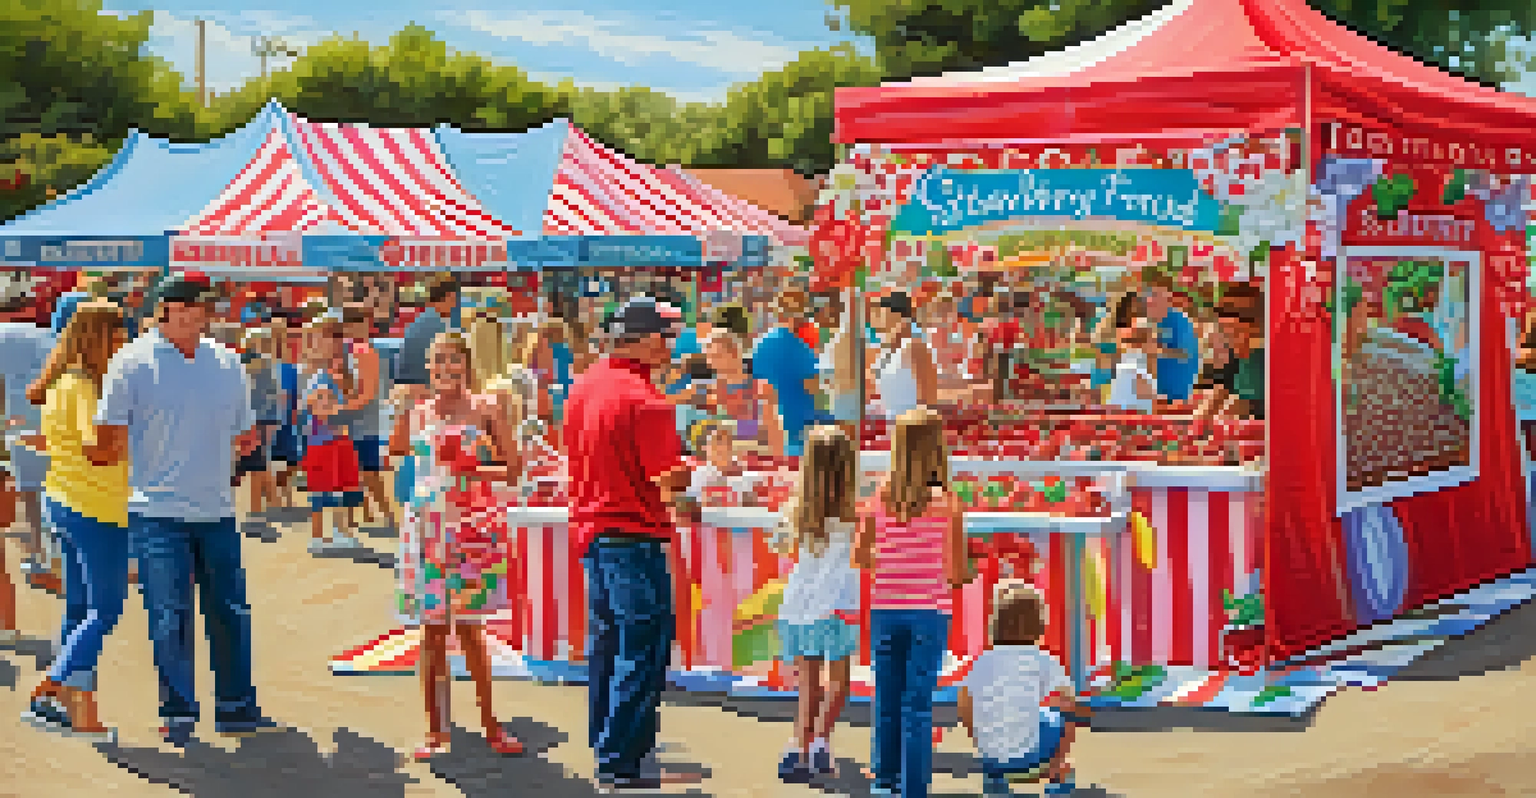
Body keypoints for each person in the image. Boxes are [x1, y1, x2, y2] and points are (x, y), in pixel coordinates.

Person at [92, 272, 278, 747]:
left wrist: (243, 448)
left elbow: (243, 433)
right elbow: (108, 435)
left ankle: (236, 708)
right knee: (169, 616)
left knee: (230, 612)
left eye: (206, 306)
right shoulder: (131, 362)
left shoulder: (227, 362)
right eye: (197, 305)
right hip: (156, 512)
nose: (205, 313)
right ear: (168, 310)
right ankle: (177, 712)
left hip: (216, 510)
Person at [564, 296, 701, 792]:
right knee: (641, 651)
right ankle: (619, 759)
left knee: (609, 646)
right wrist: (689, 473)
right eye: (665, 338)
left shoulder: (584, 386)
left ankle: (609, 745)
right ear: (646, 340)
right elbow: (667, 479)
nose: (670, 347)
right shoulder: (646, 401)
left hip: (595, 533)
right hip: (632, 536)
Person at [390, 332, 523, 761]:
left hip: (470, 529)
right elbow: (396, 453)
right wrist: (399, 412)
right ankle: (435, 730)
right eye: (438, 360)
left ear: (466, 364)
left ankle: (491, 725)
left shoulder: (487, 407)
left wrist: (474, 469)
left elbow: (513, 470)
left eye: (453, 359)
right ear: (428, 367)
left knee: (469, 630)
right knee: (431, 633)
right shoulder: (419, 410)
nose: (446, 367)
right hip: (426, 529)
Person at [20, 301, 131, 741]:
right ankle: (51, 686)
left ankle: (74, 710)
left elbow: (58, 442)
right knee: (106, 610)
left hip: (66, 501)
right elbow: (100, 451)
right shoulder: (85, 387)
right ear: (98, 336)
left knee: (81, 610)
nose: (125, 339)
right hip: (95, 507)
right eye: (119, 331)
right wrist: (139, 440)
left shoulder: (64, 382)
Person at [855, 407, 970, 798]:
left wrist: (893, 558)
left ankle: (883, 781)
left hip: (886, 607)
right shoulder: (948, 502)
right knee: (917, 704)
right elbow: (956, 571)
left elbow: (861, 554)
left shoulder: (880, 495)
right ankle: (913, 788)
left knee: (886, 699)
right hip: (930, 611)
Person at [769, 426, 860, 783]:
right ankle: (821, 740)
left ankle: (798, 745)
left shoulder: (795, 510)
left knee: (808, 682)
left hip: (800, 605)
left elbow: (779, 545)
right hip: (838, 604)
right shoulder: (855, 513)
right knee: (838, 680)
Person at [958, 586, 1087, 797]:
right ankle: (1057, 772)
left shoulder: (982, 661)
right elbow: (1070, 703)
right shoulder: (1044, 660)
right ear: (1039, 625)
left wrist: (978, 738)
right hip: (1034, 760)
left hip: (992, 758)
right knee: (1066, 712)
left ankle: (995, 780)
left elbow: (964, 701)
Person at [0, 292, 58, 593]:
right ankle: (53, 561)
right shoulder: (45, 334)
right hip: (58, 416)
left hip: (22, 419)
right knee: (54, 491)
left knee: (31, 495)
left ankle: (43, 562)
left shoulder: (4, 336)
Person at [301, 317, 364, 554]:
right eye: (328, 337)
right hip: (324, 443)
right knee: (322, 490)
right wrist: (343, 412)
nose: (335, 343)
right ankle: (320, 537)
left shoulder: (333, 375)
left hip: (336, 441)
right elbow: (319, 409)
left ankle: (338, 532)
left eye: (337, 337)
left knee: (340, 488)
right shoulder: (319, 378)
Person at [339, 305, 395, 530]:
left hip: (364, 421)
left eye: (360, 322)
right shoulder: (350, 352)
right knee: (354, 472)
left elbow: (367, 393)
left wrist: (341, 408)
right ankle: (359, 515)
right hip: (357, 421)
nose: (355, 328)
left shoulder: (363, 352)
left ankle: (387, 516)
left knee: (369, 472)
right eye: (352, 323)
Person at [751, 292, 820, 457]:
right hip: (799, 425)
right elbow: (813, 387)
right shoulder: (798, 347)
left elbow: (757, 383)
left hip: (771, 423)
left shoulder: (760, 344)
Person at [1196, 284, 1266, 421]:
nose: (1228, 340)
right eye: (1225, 332)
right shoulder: (1234, 358)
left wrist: (1246, 407)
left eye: (1235, 332)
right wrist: (1202, 418)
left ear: (1256, 328)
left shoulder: (1267, 359)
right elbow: (1223, 388)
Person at [706, 330, 783, 455]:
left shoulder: (761, 389)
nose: (712, 363)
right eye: (710, 358)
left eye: (717, 356)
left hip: (756, 459)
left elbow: (776, 439)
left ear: (735, 353)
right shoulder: (712, 391)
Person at [236, 327, 283, 518]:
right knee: (260, 466)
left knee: (258, 467)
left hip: (258, 421)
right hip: (254, 420)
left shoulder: (262, 364)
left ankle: (260, 509)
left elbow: (272, 396)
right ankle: (272, 505)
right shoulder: (256, 363)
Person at [869, 292, 938, 421]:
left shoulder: (915, 347)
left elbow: (929, 399)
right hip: (889, 425)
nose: (874, 317)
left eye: (880, 311)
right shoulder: (882, 353)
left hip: (912, 426)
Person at [397, 274, 461, 402]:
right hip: (426, 390)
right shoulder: (440, 327)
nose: (454, 304)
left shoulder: (417, 323)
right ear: (449, 296)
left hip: (408, 388)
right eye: (454, 299)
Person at [1142, 271, 1200, 404]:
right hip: (1160, 393)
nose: (1150, 300)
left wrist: (1156, 351)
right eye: (1149, 295)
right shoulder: (1155, 323)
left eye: (1155, 295)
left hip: (1178, 393)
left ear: (1167, 297)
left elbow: (1186, 353)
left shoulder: (1179, 321)